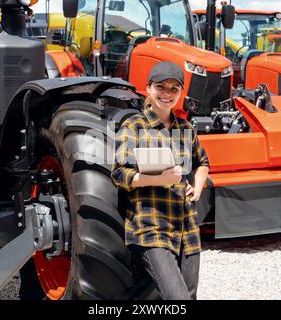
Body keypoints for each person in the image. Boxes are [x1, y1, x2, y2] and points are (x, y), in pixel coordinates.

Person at [111, 61, 210, 300]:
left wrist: (197, 188)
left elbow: (203, 163)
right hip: (151, 225)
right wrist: (157, 178)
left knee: (189, 294)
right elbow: (119, 173)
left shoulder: (186, 128)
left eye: (174, 89)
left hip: (186, 225)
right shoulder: (133, 126)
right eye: (161, 87)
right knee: (178, 299)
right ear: (148, 88)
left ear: (180, 93)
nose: (167, 93)